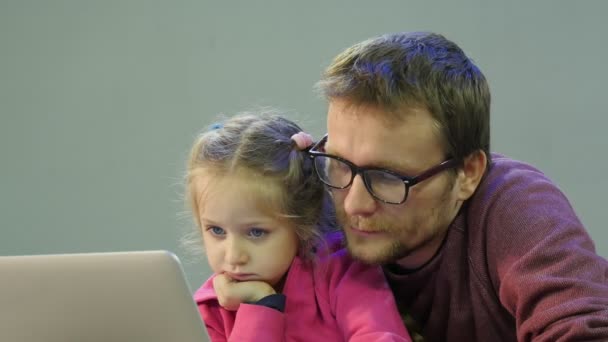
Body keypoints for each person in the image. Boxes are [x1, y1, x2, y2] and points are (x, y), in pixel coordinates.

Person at [307, 31, 608, 341]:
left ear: (468, 174)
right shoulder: (319, 198)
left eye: (387, 177)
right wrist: (280, 190)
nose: (354, 204)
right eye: (340, 163)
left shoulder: (517, 207)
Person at [184, 110, 412, 341]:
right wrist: (261, 303)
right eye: (217, 231)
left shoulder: (342, 271)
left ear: (303, 221)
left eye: (256, 232)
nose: (234, 256)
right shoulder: (211, 307)